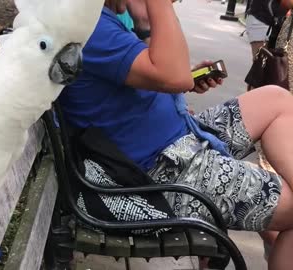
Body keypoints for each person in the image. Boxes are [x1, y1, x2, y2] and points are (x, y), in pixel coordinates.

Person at [59, 0, 293, 269]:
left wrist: (147, 28)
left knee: (276, 100)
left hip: (175, 141)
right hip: (160, 173)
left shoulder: (91, 18)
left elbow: (161, 76)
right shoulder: (89, 27)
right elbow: (174, 76)